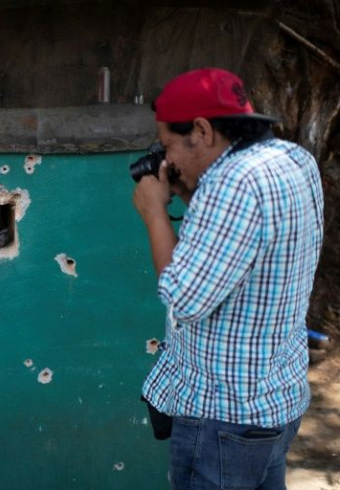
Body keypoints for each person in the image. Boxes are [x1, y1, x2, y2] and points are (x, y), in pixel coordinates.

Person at [133, 67, 324, 489]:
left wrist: (154, 212)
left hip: (223, 420)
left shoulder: (232, 184)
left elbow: (183, 298)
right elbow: (240, 257)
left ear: (201, 130)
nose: (169, 161)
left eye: (168, 146)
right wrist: (189, 197)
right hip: (276, 402)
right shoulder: (294, 159)